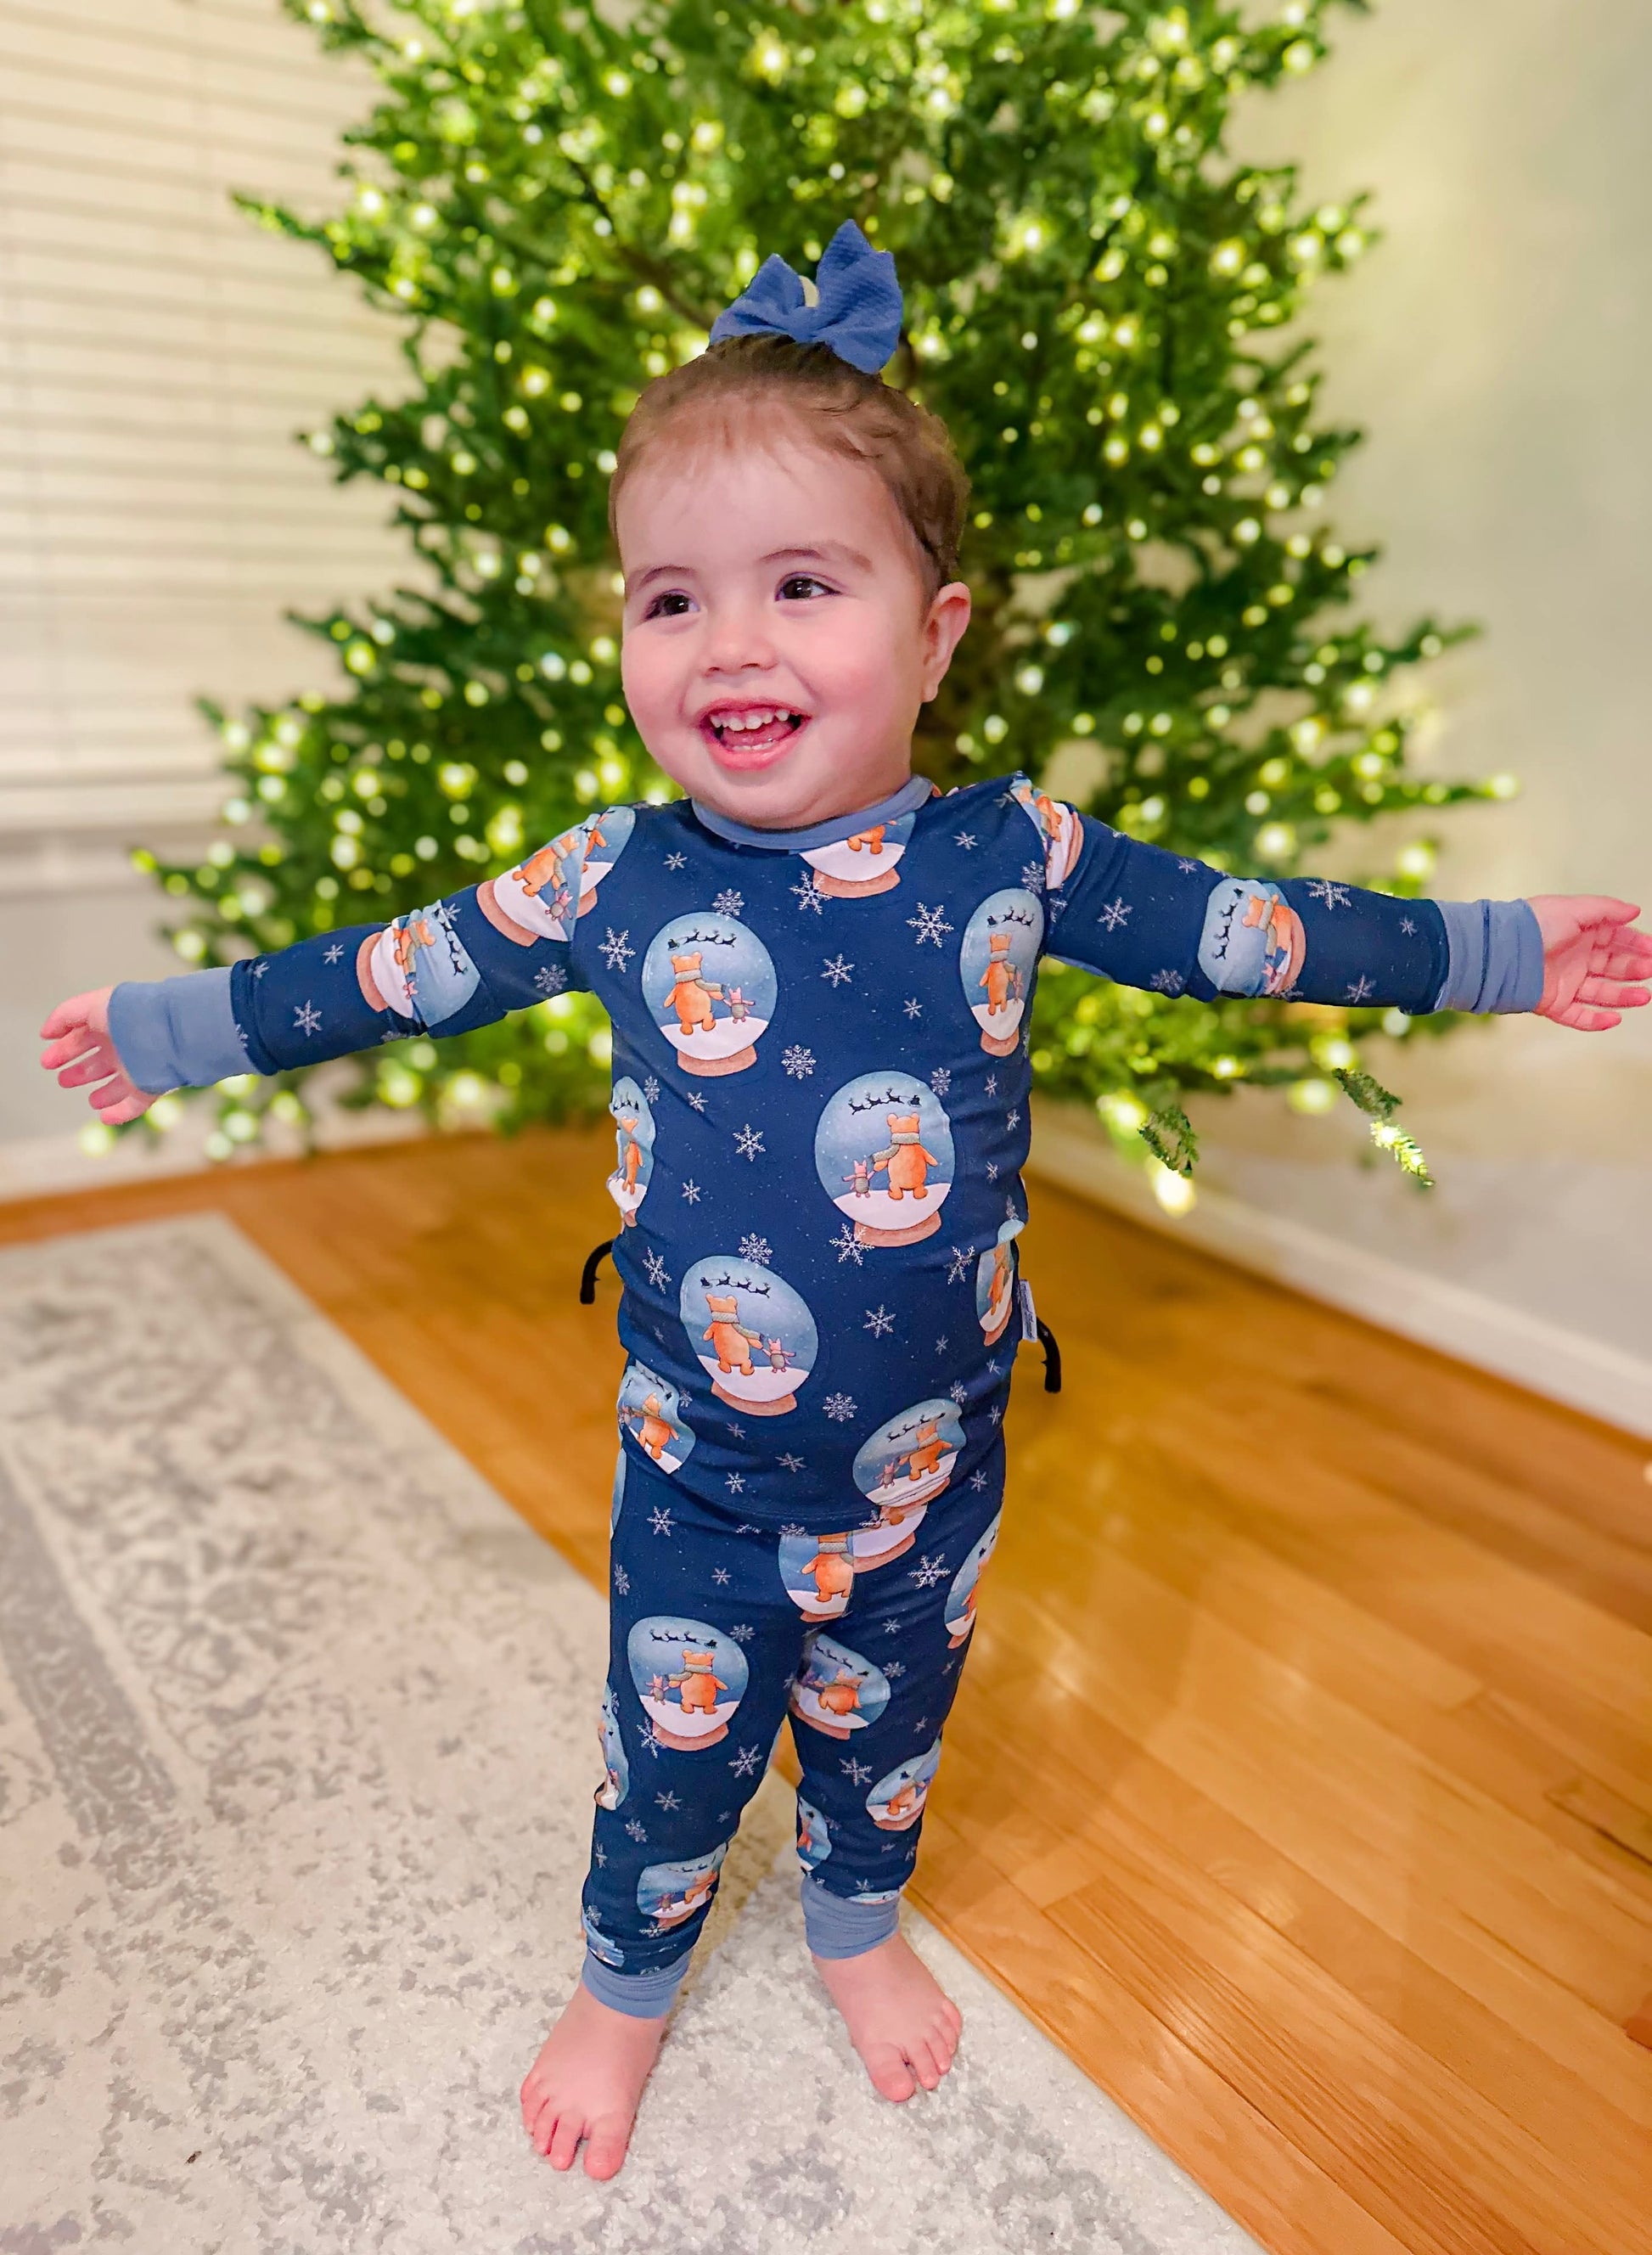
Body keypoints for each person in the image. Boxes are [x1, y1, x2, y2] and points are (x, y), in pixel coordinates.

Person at [38, 221, 1651, 2180]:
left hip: (928, 1457)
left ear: (937, 631)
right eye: (672, 598)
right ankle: (625, 1980)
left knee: (889, 1730)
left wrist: (1494, 950)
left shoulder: (1013, 852)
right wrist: (174, 1025)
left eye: (802, 584)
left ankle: (854, 1919)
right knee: (671, 1747)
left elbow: (1249, 927)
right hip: (699, 1460)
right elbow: (395, 969)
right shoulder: (611, 875)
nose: (730, 644)